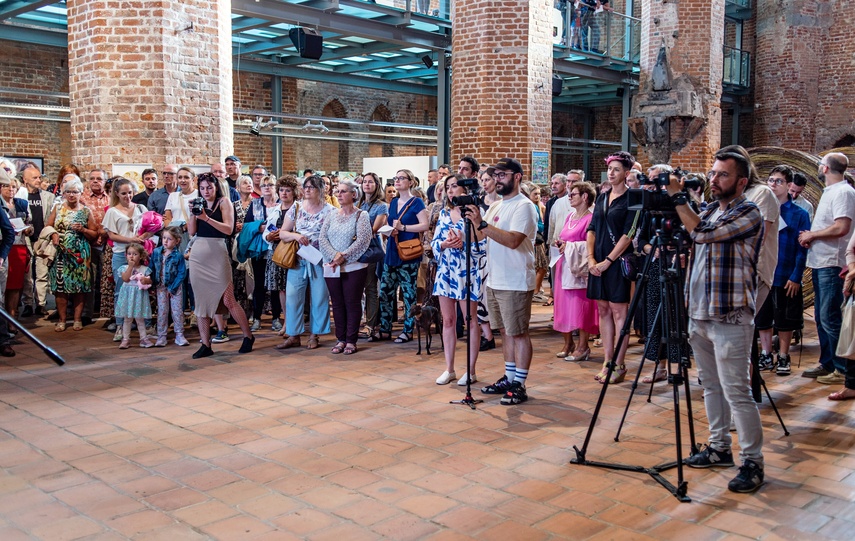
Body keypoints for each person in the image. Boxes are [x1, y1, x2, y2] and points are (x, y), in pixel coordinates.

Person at [664, 145, 766, 493]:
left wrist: (678, 198)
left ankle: (752, 461)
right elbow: (693, 233)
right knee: (710, 385)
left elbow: (702, 235)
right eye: (713, 173)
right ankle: (719, 446)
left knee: (737, 390)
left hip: (731, 315)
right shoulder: (707, 209)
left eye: (723, 174)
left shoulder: (749, 212)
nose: (714, 179)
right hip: (700, 312)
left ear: (741, 182)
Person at [468, 158, 538, 405]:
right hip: (496, 278)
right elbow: (482, 235)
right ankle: (509, 377)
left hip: (516, 278)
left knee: (518, 332)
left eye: (502, 175)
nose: (497, 179)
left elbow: (513, 241)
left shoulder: (524, 206)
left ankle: (520, 383)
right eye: (494, 175)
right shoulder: (496, 206)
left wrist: (482, 224)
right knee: (505, 331)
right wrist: (473, 220)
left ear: (517, 177)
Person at [798, 153, 855, 384]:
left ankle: (842, 369)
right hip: (822, 261)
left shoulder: (844, 192)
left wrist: (813, 234)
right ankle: (828, 362)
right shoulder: (831, 191)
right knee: (822, 318)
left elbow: (842, 227)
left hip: (833, 262)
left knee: (830, 317)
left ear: (824, 169)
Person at [186, 173, 255, 358]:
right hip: (199, 253)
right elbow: (192, 232)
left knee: (228, 299)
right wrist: (193, 213)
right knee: (200, 302)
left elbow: (228, 229)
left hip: (217, 251)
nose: (206, 191)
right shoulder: (197, 204)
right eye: (202, 188)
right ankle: (205, 344)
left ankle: (248, 336)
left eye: (209, 187)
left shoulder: (224, 202)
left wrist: (206, 218)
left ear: (216, 187)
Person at [586, 151, 640, 384]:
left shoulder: (635, 198)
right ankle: (608, 361)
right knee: (603, 311)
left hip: (616, 262)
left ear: (627, 173)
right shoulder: (602, 196)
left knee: (619, 313)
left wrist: (608, 261)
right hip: (597, 262)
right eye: (610, 168)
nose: (611, 172)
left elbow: (628, 234)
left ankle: (619, 362)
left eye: (617, 169)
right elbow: (592, 229)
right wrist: (590, 259)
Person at [431, 175, 487, 385]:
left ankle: (470, 370)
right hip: (446, 271)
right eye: (447, 187)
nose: (451, 191)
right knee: (448, 320)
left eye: (454, 186)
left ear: (465, 189)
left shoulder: (475, 214)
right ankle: (449, 368)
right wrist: (445, 244)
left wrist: (463, 242)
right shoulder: (444, 213)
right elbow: (435, 243)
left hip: (467, 271)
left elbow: (482, 247)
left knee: (470, 320)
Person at [756, 165, 810, 375]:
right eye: (770, 180)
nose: (773, 184)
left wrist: (796, 276)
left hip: (785, 273)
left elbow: (801, 248)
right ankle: (766, 353)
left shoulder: (799, 214)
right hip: (764, 272)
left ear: (789, 186)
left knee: (785, 319)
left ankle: (784, 356)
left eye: (778, 181)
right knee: (762, 318)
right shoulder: (760, 209)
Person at [277, 175, 334, 350]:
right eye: (305, 187)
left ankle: (314, 334)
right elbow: (282, 233)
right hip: (299, 259)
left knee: (318, 298)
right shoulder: (296, 208)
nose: (307, 190)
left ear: (320, 190)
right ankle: (293, 334)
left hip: (319, 259)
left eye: (312, 187)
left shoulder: (330, 211)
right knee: (293, 298)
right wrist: (296, 236)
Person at [319, 179, 372, 355]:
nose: (339, 195)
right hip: (332, 266)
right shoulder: (332, 214)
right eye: (337, 191)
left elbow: (363, 241)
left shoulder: (361, 215)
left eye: (343, 191)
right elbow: (322, 239)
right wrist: (335, 256)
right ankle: (340, 339)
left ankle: (351, 340)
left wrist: (344, 256)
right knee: (337, 304)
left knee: (352, 303)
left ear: (353, 194)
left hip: (354, 266)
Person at [378, 169, 429, 343]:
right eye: (396, 178)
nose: (397, 181)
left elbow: (425, 225)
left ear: (411, 181)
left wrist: (404, 228)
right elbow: (391, 223)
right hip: (392, 251)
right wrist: (389, 230)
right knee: (385, 291)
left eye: (401, 178)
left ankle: (408, 330)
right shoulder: (393, 202)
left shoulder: (417, 202)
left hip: (408, 252)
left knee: (408, 294)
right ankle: (385, 328)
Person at [46, 177, 98, 332]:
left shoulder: (85, 211)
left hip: (79, 255)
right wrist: (54, 234)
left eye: (75, 192)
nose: (71, 195)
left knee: (79, 287)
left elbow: (94, 233)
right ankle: (62, 319)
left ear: (81, 193)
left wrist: (83, 230)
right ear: (63, 193)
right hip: (61, 254)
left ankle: (77, 319)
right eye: (68, 192)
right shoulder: (58, 208)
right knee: (60, 288)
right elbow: (48, 226)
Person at [554, 181, 598, 361]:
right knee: (563, 307)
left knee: (581, 307)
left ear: (585, 197)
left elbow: (590, 244)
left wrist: (570, 246)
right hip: (563, 266)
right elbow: (564, 236)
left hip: (579, 269)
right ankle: (568, 343)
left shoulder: (590, 218)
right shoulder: (569, 217)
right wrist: (561, 244)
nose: (569, 197)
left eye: (573, 194)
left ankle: (582, 346)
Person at [101, 178, 150, 342]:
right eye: (123, 193)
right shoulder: (112, 212)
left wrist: (142, 237)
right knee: (121, 290)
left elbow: (149, 227)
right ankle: (121, 325)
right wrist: (131, 240)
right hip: (121, 253)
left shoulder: (141, 208)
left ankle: (144, 324)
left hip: (139, 254)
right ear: (116, 194)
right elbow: (111, 235)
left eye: (130, 192)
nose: (127, 196)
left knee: (141, 287)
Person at [247, 174, 283, 331]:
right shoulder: (255, 203)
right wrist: (260, 227)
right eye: (264, 185)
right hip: (259, 250)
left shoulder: (282, 204)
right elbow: (247, 225)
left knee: (276, 286)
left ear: (276, 187)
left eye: (270, 185)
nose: (267, 188)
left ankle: (276, 317)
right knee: (259, 285)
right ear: (260, 188)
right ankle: (257, 318)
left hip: (278, 249)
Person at [264, 175, 299, 335]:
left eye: (288, 190)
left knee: (293, 289)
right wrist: (269, 237)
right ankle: (286, 322)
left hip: (293, 251)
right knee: (281, 290)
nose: (284, 193)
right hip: (277, 252)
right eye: (282, 190)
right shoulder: (274, 210)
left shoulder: (299, 209)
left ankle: (295, 322)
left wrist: (287, 234)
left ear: (294, 192)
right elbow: (266, 231)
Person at [20, 162, 55, 317]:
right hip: (25, 239)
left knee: (42, 274)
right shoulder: (20, 196)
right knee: (27, 275)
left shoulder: (48, 196)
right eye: (34, 178)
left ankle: (40, 303)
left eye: (39, 177)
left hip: (42, 239)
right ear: (25, 179)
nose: (38, 180)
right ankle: (28, 303)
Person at [358, 172, 389, 341]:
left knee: (370, 288)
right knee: (358, 288)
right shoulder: (359, 203)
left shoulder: (381, 206)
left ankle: (370, 324)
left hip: (371, 249)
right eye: (364, 182)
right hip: (356, 250)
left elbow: (374, 229)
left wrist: (356, 234)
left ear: (377, 185)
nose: (367, 185)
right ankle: (360, 320)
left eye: (370, 182)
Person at [0, 172, 33, 318]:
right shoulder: (1, 204)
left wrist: (28, 229)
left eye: (14, 187)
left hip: (18, 245)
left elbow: (30, 225)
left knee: (16, 283)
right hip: (4, 246)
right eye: (7, 186)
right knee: (4, 284)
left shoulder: (22, 203)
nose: (10, 189)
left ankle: (12, 315)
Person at [151, 226, 188, 347]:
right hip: (160, 287)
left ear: (177, 241)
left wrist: (173, 288)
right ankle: (161, 336)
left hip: (175, 287)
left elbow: (182, 273)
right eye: (164, 238)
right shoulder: (156, 252)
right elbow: (152, 268)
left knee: (177, 311)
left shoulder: (178, 256)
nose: (165, 241)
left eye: (169, 239)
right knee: (162, 311)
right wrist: (149, 281)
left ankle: (179, 334)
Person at [115, 243, 153, 349]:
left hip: (139, 296)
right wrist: (130, 267)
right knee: (127, 319)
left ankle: (143, 338)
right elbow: (126, 279)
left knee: (140, 319)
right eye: (129, 254)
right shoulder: (124, 268)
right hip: (128, 296)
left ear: (140, 256)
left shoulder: (144, 269)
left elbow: (149, 281)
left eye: (135, 254)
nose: (131, 256)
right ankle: (125, 339)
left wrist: (146, 280)